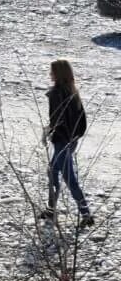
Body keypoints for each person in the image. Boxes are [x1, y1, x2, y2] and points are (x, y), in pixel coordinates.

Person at [40, 59, 94, 228]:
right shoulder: (72, 91)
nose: (50, 74)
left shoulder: (56, 93)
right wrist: (73, 138)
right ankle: (51, 208)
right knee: (53, 170)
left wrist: (49, 131)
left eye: (52, 72)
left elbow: (56, 119)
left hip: (61, 140)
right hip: (71, 140)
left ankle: (86, 214)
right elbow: (81, 121)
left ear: (58, 74)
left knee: (70, 179)